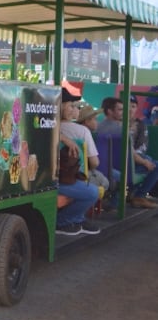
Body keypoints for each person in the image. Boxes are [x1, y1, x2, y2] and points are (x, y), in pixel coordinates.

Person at [56, 87, 101, 236]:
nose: (73, 109)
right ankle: (63, 221)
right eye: (70, 105)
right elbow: (94, 163)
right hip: (58, 179)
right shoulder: (82, 131)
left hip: (66, 176)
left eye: (74, 106)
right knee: (94, 190)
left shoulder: (54, 126)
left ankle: (77, 218)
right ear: (60, 106)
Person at [126, 95, 158, 208]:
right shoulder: (116, 124)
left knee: (150, 162)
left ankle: (134, 194)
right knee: (153, 164)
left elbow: (142, 148)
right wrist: (144, 161)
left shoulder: (140, 124)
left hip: (134, 160)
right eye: (127, 106)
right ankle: (139, 196)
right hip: (124, 163)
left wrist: (142, 159)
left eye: (133, 106)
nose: (130, 109)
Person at [76, 103, 110, 192]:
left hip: (70, 173)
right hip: (82, 174)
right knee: (105, 182)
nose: (97, 122)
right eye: (95, 119)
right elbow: (94, 163)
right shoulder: (85, 132)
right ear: (87, 121)